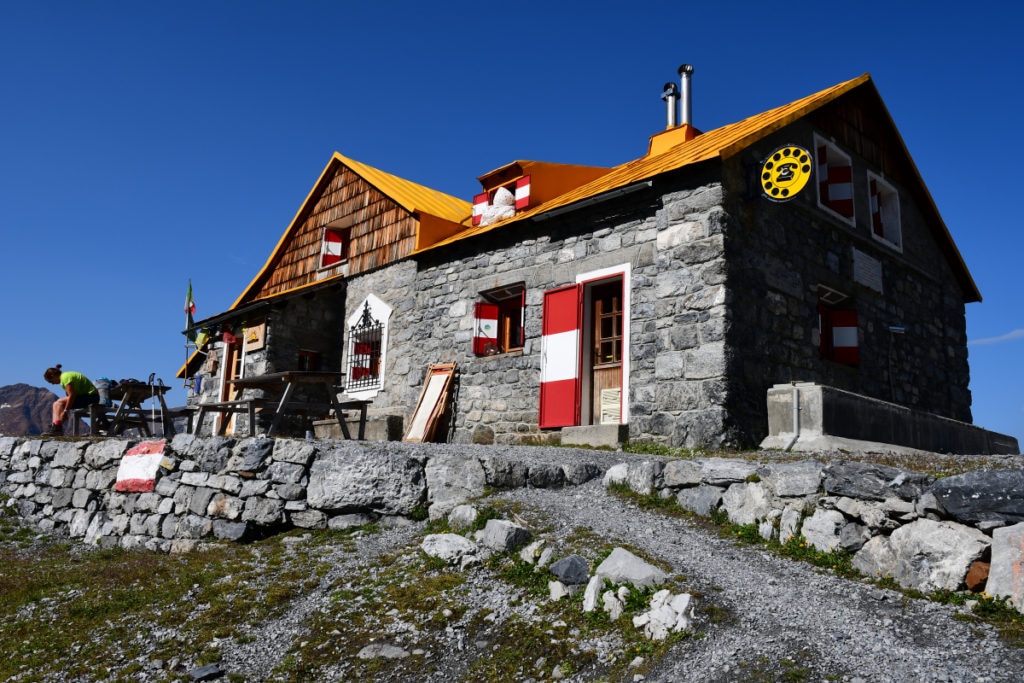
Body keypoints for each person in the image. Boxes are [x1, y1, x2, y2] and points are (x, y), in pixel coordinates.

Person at [43, 364, 100, 435]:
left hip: (91, 397)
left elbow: (72, 395)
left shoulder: (65, 378)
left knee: (59, 403)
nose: (52, 384)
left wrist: (65, 411)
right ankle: (56, 426)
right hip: (85, 397)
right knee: (56, 404)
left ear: (53, 376)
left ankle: (57, 428)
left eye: (51, 381)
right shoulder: (65, 376)